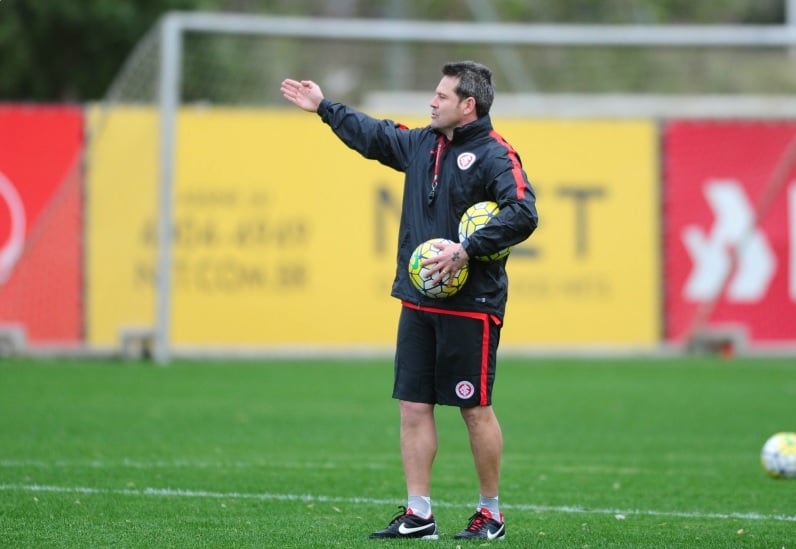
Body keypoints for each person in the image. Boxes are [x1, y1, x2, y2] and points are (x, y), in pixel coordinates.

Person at [280, 61, 538, 541]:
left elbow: (524, 212)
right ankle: (419, 513)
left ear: (468, 106)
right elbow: (374, 136)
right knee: (413, 407)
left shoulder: (497, 155)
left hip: (472, 304)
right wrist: (323, 108)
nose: (432, 102)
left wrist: (467, 249)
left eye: (441, 96)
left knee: (474, 408)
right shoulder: (422, 144)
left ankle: (491, 514)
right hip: (419, 300)